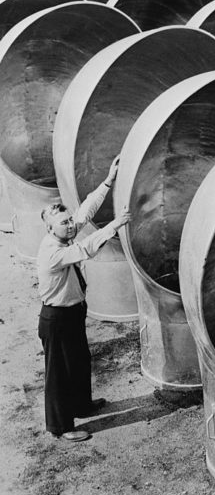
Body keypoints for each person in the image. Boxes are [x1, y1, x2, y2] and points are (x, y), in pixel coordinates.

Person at [37, 156, 130, 442]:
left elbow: (85, 212)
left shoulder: (63, 233)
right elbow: (87, 248)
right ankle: (61, 427)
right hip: (57, 318)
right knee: (58, 374)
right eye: (63, 224)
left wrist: (108, 179)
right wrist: (115, 224)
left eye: (68, 220)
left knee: (79, 361)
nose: (70, 225)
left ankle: (82, 404)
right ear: (50, 229)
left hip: (73, 312)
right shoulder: (53, 253)